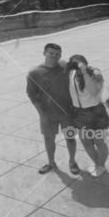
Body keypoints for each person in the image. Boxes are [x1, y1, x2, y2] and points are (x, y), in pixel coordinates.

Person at [27, 43, 79, 174]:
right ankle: (51, 163)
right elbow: (32, 96)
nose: (54, 56)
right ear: (44, 53)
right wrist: (41, 114)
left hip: (67, 112)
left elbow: (82, 68)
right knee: (49, 139)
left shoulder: (64, 66)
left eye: (57, 54)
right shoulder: (34, 73)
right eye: (51, 53)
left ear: (60, 55)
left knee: (70, 138)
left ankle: (72, 161)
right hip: (47, 113)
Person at [66, 54, 109, 177]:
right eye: (74, 64)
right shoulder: (71, 73)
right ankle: (97, 163)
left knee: (99, 141)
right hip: (79, 113)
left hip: (95, 112)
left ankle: (102, 165)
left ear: (86, 63)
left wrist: (85, 72)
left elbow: (94, 92)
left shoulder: (94, 74)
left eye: (80, 63)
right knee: (85, 142)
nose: (78, 66)